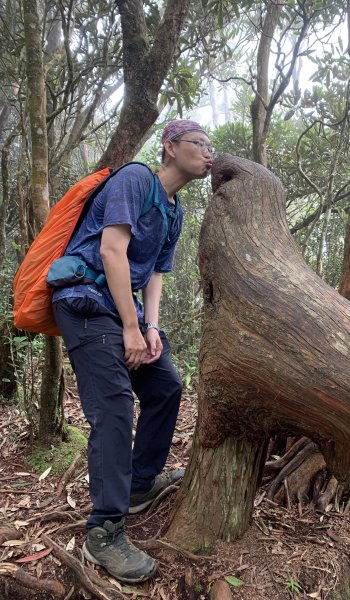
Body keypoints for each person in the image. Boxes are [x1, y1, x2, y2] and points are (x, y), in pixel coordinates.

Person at [52, 120, 214, 583]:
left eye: (209, 146)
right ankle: (103, 532)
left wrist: (152, 325)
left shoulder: (175, 209)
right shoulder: (135, 180)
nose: (208, 153)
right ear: (170, 147)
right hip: (84, 301)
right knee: (115, 406)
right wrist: (130, 326)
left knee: (166, 385)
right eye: (199, 144)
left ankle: (140, 485)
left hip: (124, 309)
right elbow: (111, 251)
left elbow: (156, 272)